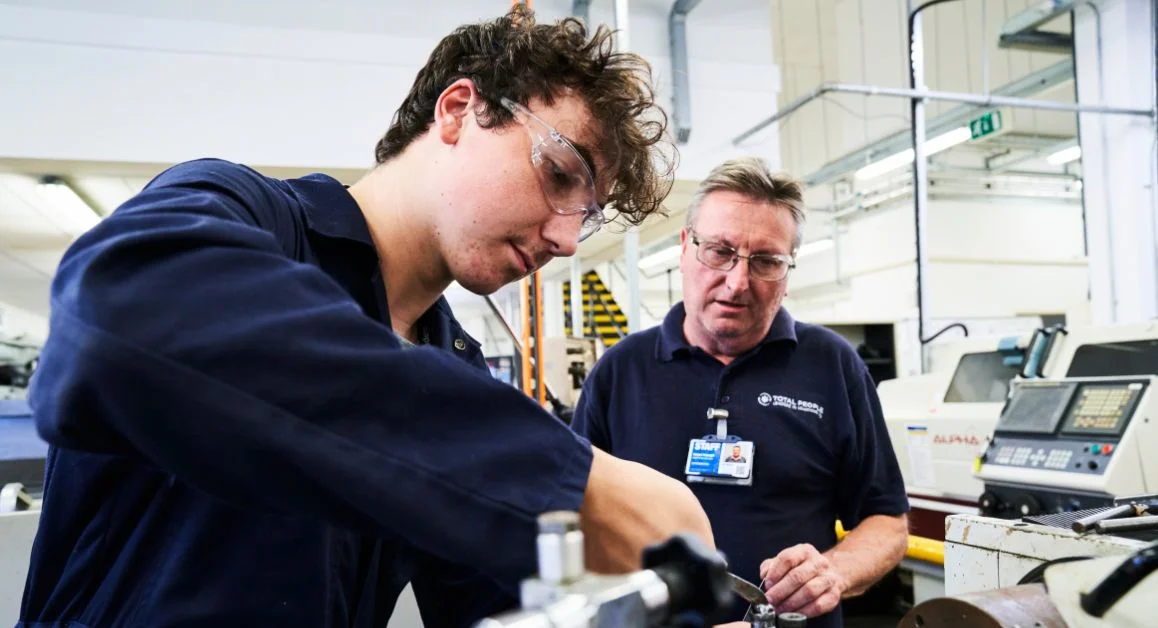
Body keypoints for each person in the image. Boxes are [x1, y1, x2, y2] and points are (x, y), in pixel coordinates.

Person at [19, 8, 715, 628]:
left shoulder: (454, 366)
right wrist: (575, 483)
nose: (566, 239)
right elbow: (114, 324)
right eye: (562, 174)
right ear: (457, 109)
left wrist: (638, 599)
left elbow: (490, 602)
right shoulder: (243, 213)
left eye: (586, 216)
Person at [571, 157, 910, 627]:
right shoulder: (619, 370)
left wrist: (830, 573)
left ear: (788, 273)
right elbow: (575, 514)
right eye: (720, 251)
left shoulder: (833, 366)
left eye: (766, 261)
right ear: (686, 248)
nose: (737, 282)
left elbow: (887, 522)